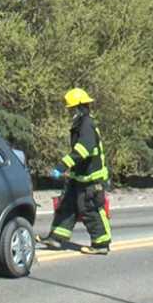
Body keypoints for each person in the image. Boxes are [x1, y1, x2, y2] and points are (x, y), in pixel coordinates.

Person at [37, 88, 112, 255]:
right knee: (67, 205)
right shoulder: (80, 123)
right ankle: (56, 238)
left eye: (71, 108)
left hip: (91, 178)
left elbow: (83, 150)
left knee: (89, 209)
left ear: (79, 107)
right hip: (79, 176)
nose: (69, 111)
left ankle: (101, 244)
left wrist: (61, 166)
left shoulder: (87, 124)